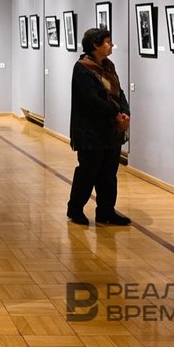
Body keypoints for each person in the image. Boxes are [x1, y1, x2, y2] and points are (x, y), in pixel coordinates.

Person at [66, 28, 131, 226]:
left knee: (109, 174)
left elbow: (118, 92)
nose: (111, 45)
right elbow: (91, 100)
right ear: (95, 45)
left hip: (111, 130)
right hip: (90, 130)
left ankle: (106, 211)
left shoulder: (108, 66)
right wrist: (116, 113)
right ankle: (75, 209)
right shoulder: (82, 68)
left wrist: (125, 111)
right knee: (88, 172)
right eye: (107, 42)